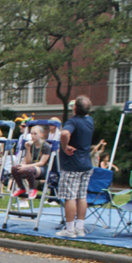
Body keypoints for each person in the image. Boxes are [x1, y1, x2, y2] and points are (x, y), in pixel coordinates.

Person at [56, 96, 94, 238]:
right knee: (82, 196)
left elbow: (65, 133)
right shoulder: (90, 121)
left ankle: (70, 230)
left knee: (69, 197)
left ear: (75, 108)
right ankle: (80, 228)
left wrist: (65, 146)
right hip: (86, 164)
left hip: (72, 164)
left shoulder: (73, 122)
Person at [11, 125, 52, 200]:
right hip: (32, 166)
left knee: (28, 169)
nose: (33, 136)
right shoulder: (32, 145)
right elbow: (28, 161)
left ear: (41, 135)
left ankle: (32, 189)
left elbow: (41, 163)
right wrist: (27, 149)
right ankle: (21, 187)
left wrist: (26, 166)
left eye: (35, 134)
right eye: (31, 134)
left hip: (42, 168)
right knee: (14, 168)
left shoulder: (45, 146)